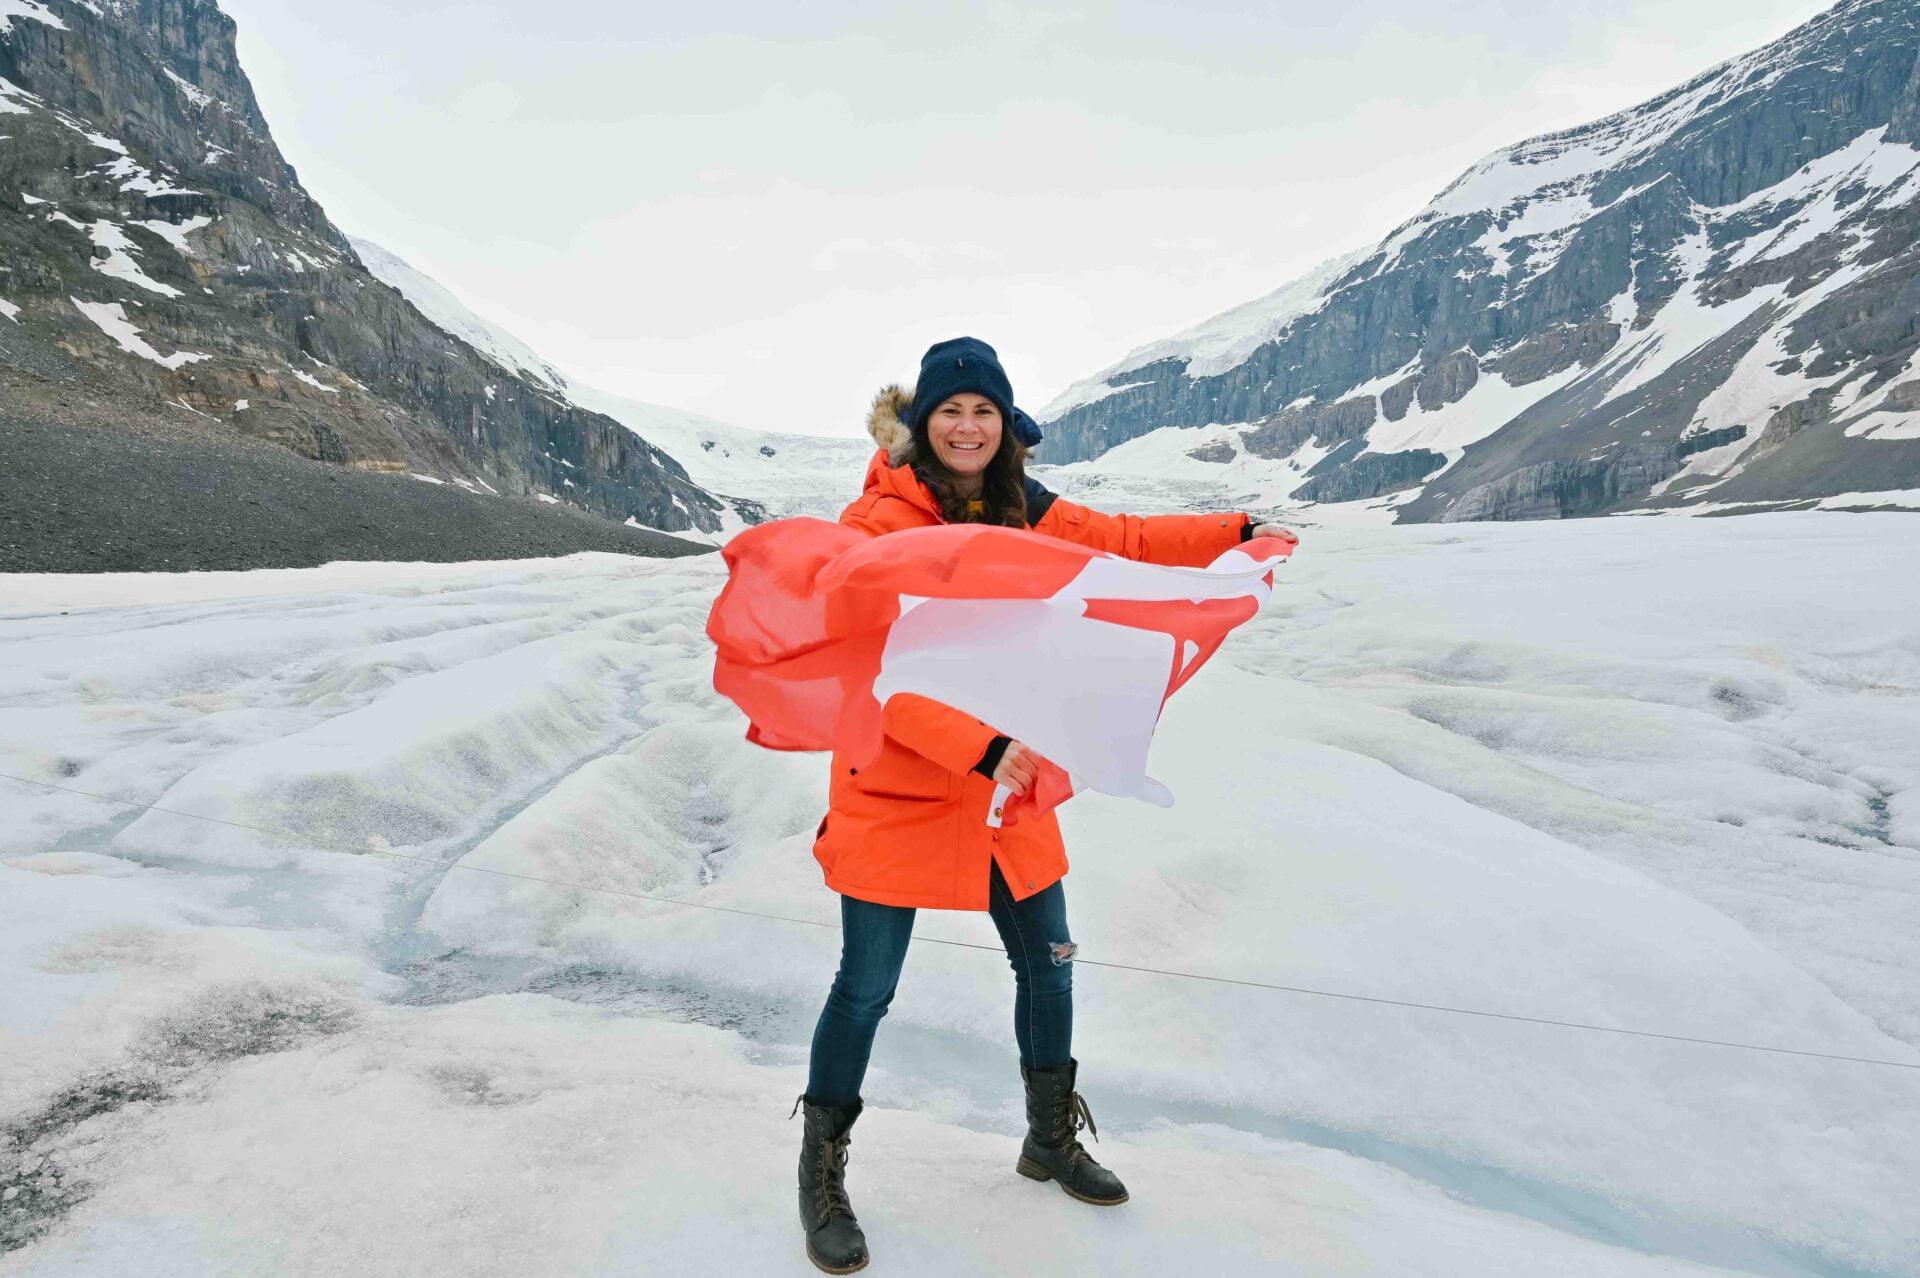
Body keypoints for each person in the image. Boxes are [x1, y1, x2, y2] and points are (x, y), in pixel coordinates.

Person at [792, 336, 1297, 1274]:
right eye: (950, 410)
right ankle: (821, 1174)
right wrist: (983, 747)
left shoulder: (1028, 509)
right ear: (922, 424)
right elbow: (875, 673)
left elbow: (1130, 545)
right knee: (865, 988)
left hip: (1006, 790)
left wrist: (1236, 534)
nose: (968, 426)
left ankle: (1047, 1140)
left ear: (1005, 423)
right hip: (901, 786)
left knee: (1051, 964)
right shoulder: (874, 524)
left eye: (984, 410)